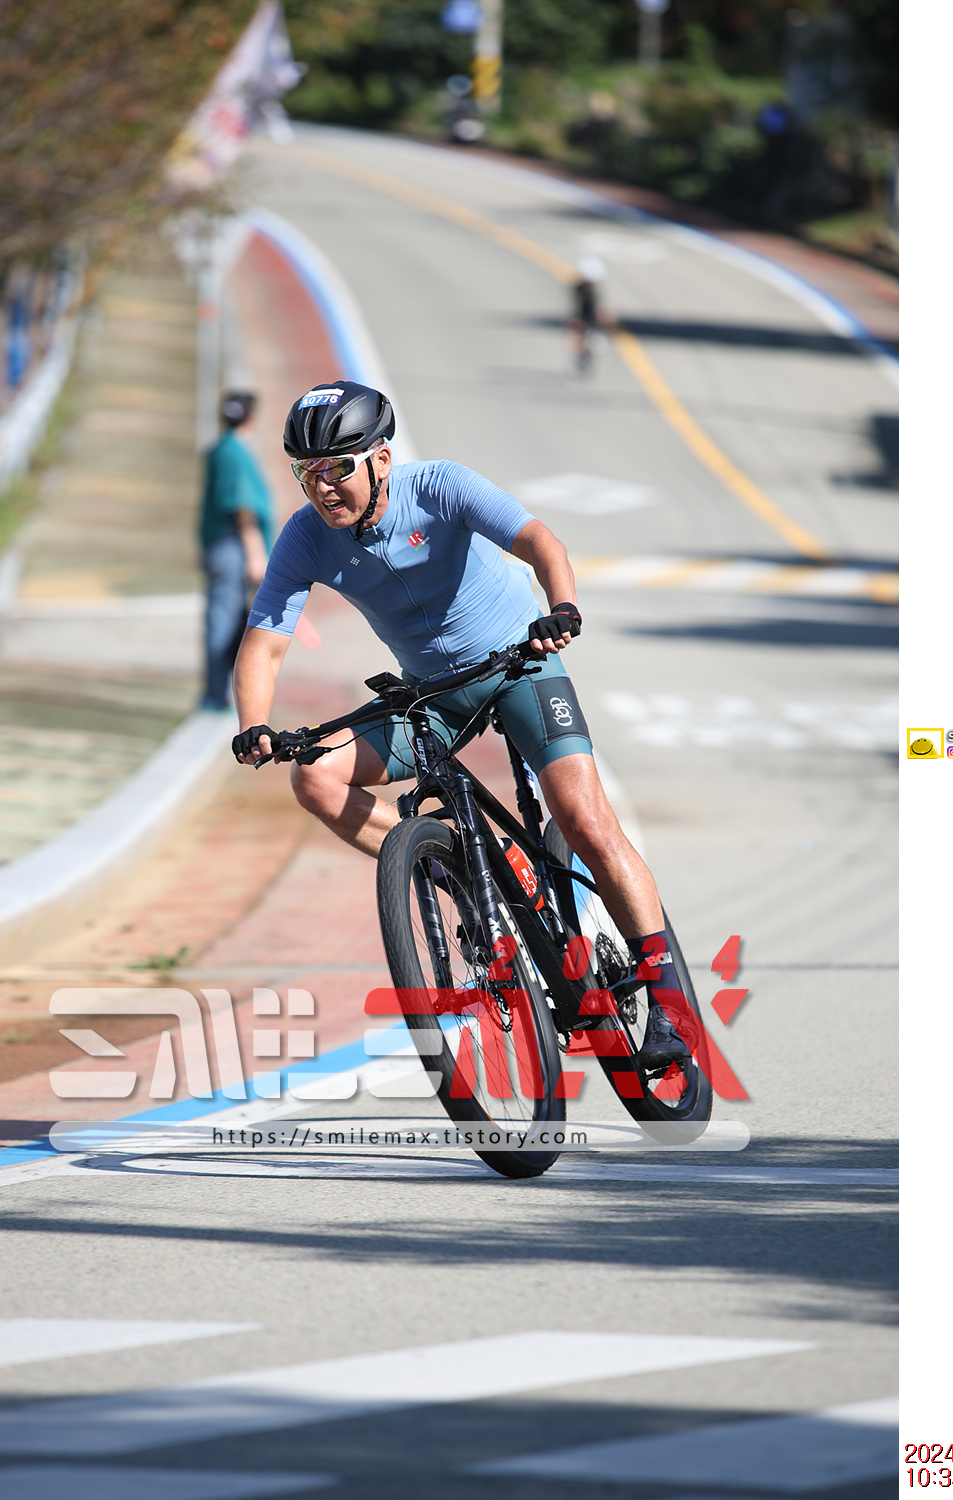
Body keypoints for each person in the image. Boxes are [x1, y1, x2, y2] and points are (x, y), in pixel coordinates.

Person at [229, 380, 692, 1067]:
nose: (322, 487)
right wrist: (255, 724)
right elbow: (265, 644)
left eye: (336, 469)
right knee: (315, 779)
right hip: (432, 696)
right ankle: (463, 869)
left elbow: (539, 540)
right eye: (307, 473)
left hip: (519, 665)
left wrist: (562, 608)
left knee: (585, 820)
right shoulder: (305, 537)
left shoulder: (441, 487)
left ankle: (669, 1003)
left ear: (381, 460)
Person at [198, 390, 273, 711]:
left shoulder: (220, 450)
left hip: (221, 547)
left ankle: (219, 691)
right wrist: (256, 555)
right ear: (251, 418)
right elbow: (242, 507)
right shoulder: (236, 453)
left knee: (224, 619)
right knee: (225, 621)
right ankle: (216, 695)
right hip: (234, 547)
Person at [568, 255, 607, 373]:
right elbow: (578, 308)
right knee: (577, 337)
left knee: (593, 342)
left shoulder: (591, 291)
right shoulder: (580, 290)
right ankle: (578, 359)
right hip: (583, 318)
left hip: (591, 319)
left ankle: (584, 358)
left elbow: (597, 307)